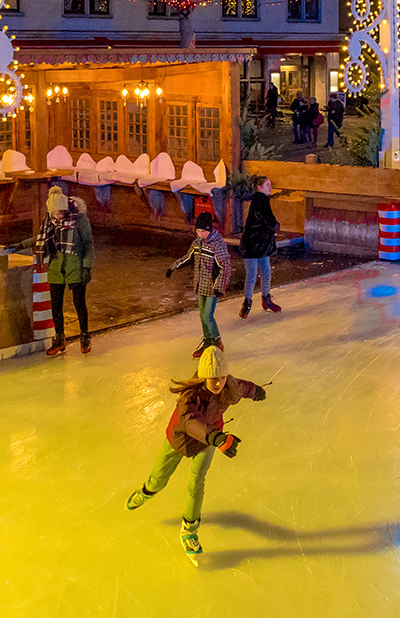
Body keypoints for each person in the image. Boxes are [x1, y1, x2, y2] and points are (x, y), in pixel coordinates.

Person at [124, 345, 268, 564]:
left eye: (221, 377)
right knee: (159, 478)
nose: (218, 383)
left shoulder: (230, 386)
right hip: (180, 439)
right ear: (203, 376)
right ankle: (147, 491)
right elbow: (190, 422)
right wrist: (216, 438)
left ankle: (189, 530)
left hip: (208, 440)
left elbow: (243, 387)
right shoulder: (190, 396)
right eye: (212, 379)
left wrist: (256, 390)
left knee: (197, 483)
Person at [22, 186, 95, 357]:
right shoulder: (50, 221)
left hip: (75, 265)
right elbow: (41, 237)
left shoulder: (80, 219)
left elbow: (88, 244)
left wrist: (86, 267)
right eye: (54, 214)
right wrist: (22, 244)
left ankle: (85, 336)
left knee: (79, 304)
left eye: (60, 213)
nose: (57, 217)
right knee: (56, 306)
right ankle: (59, 338)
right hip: (56, 268)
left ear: (65, 208)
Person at [168, 210, 233, 356]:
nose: (200, 234)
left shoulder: (217, 244)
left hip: (212, 287)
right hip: (199, 285)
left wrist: (220, 286)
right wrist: (173, 267)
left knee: (207, 316)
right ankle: (208, 341)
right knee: (202, 316)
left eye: (203, 231)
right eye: (197, 230)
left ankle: (217, 341)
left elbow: (225, 266)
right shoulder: (197, 242)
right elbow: (188, 256)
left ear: (209, 230)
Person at [238, 178, 282, 318]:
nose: (270, 187)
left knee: (265, 271)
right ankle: (247, 304)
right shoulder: (260, 200)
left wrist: (272, 229)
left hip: (260, 244)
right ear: (259, 187)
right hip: (253, 244)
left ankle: (265, 300)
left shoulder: (261, 200)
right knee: (253, 274)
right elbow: (268, 220)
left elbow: (264, 221)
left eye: (271, 185)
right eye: (267, 185)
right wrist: (275, 227)